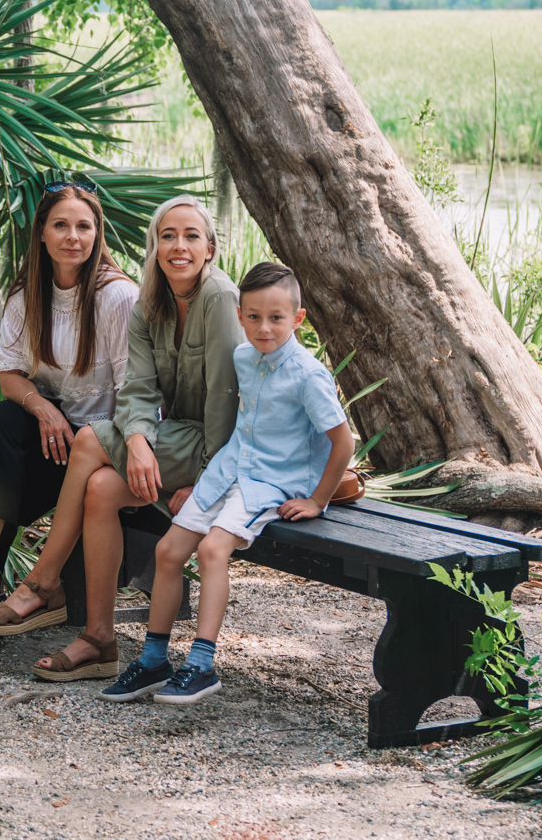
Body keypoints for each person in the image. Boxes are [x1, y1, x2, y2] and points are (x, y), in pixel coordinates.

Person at [0, 194, 242, 682]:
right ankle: (100, 640)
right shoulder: (149, 303)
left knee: (86, 443)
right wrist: (139, 441)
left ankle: (43, 580)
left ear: (211, 248)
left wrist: (207, 483)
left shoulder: (219, 297)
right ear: (153, 246)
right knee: (99, 489)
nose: (178, 246)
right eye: (167, 236)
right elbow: (138, 390)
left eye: (191, 236)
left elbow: (230, 402)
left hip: (219, 450)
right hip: (171, 439)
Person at [101, 260, 354, 706]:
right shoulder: (242, 357)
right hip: (227, 470)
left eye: (276, 318)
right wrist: (202, 477)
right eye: (253, 317)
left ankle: (201, 665)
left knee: (212, 549)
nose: (263, 328)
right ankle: (155, 658)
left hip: (271, 482)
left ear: (298, 319)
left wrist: (317, 500)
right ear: (239, 316)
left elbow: (342, 442)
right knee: (167, 551)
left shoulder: (308, 375)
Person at [0, 180, 137, 644]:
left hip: (109, 445)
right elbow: (10, 374)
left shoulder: (116, 297)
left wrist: (91, 438)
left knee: (11, 453)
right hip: (60, 439)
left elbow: (134, 392)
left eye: (83, 226)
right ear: (41, 233)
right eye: (61, 225)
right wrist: (42, 409)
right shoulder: (27, 296)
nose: (72, 236)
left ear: (98, 234)